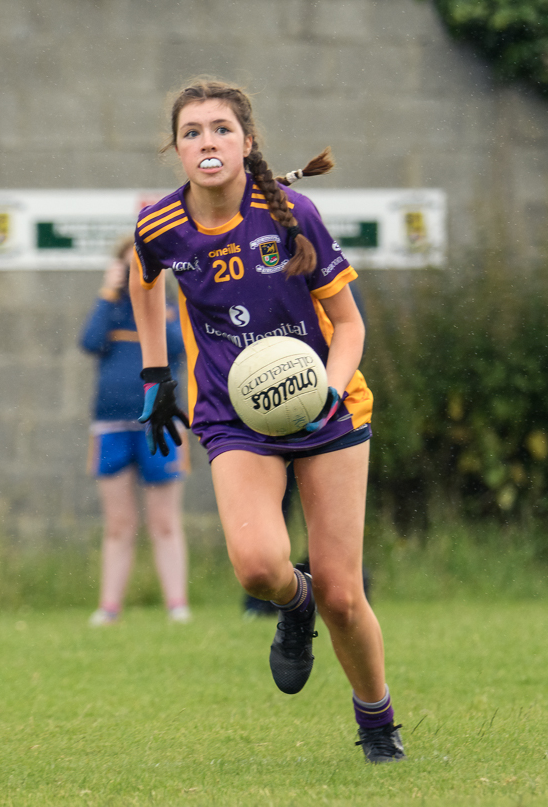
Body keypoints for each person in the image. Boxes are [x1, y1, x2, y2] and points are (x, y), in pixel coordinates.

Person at [128, 79, 405, 764]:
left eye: (220, 128)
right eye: (191, 132)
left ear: (247, 143)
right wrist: (157, 375)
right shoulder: (161, 225)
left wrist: (330, 392)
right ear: (177, 150)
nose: (206, 142)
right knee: (258, 566)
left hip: (327, 405)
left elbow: (348, 326)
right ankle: (292, 601)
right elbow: (143, 279)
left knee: (345, 592)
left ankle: (377, 724)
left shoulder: (291, 215)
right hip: (233, 414)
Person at [80, 236, 191, 625]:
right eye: (129, 269)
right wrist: (109, 292)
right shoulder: (109, 309)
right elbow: (89, 342)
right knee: (119, 523)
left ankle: (177, 605)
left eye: (141, 269)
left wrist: (155, 300)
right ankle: (109, 607)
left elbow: (178, 348)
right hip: (111, 423)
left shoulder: (169, 308)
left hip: (158, 423)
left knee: (163, 521)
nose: (134, 277)